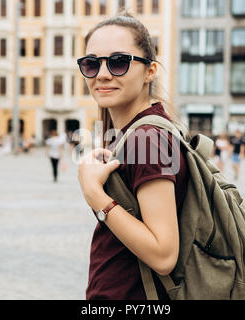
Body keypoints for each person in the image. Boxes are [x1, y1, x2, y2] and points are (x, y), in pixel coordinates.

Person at [77, 11, 189, 300]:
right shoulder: (135, 133)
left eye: (118, 62)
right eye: (91, 64)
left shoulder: (146, 138)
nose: (102, 74)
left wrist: (95, 196)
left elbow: (164, 254)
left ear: (150, 71)